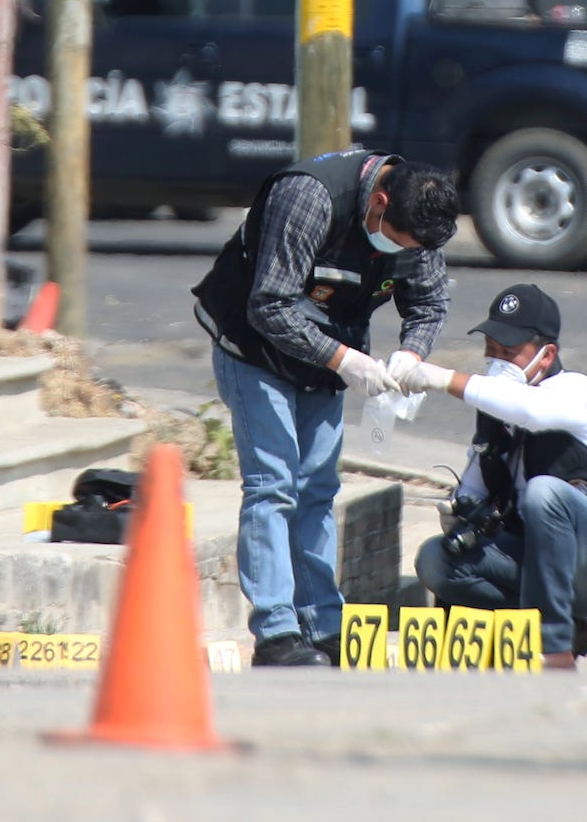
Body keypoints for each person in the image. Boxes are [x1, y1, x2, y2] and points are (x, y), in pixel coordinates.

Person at [192, 150, 457, 667]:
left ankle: (323, 625)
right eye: (399, 243)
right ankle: (276, 632)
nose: (404, 253)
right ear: (378, 204)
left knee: (317, 487)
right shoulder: (309, 197)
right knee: (273, 484)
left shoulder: (418, 215)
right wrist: (345, 360)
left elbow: (429, 302)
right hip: (255, 348)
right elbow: (269, 305)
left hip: (329, 355)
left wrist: (411, 352)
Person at [403, 284, 587, 668]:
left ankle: (555, 649)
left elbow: (531, 411)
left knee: (545, 493)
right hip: (548, 568)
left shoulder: (576, 392)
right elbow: (474, 486)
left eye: (509, 353)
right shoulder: (497, 410)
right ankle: (552, 624)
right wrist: (459, 511)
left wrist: (439, 378)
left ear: (547, 355)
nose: (497, 362)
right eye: (491, 351)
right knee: (435, 559)